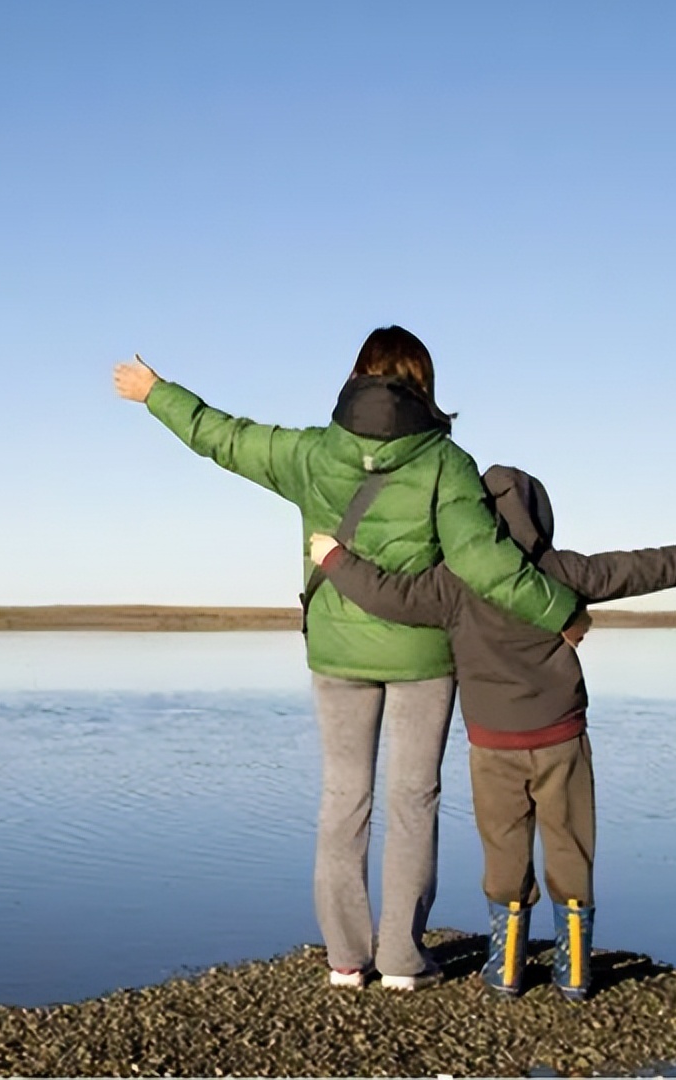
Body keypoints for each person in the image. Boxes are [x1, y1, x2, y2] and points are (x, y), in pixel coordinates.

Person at [113, 327, 587, 991]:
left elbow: (220, 436)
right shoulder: (446, 464)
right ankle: (400, 959)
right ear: (424, 383)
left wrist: (155, 393)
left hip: (336, 651)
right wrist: (559, 611)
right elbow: (483, 562)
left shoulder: (311, 452)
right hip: (424, 654)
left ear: (357, 378)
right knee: (413, 800)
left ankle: (345, 958)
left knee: (343, 799)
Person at [308, 464, 676, 1000]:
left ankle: (506, 969)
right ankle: (573, 972)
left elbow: (388, 595)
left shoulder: (454, 582)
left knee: (504, 851)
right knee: (570, 845)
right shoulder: (563, 571)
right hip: (561, 738)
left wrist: (334, 558)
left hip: (492, 745)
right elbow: (641, 569)